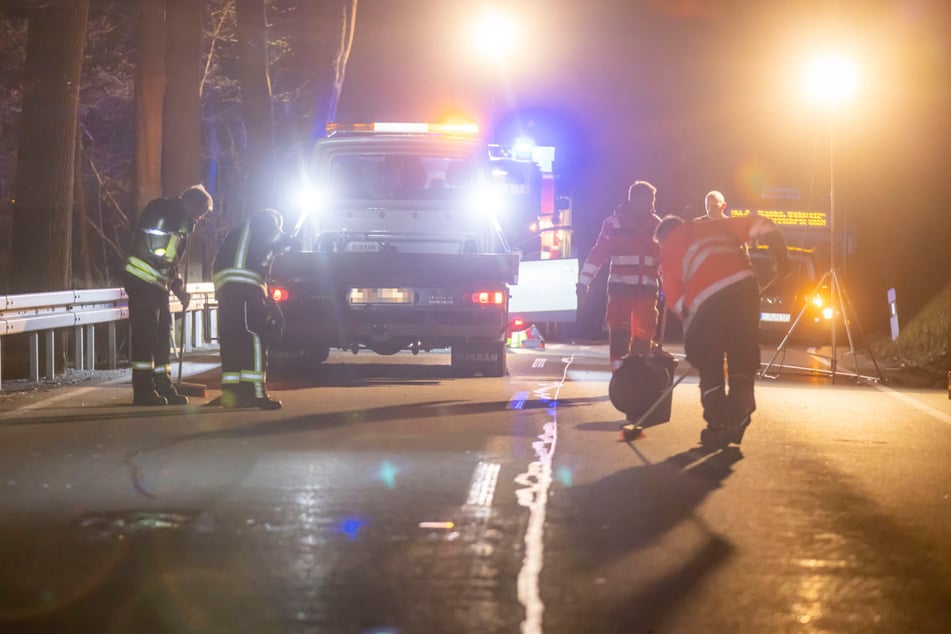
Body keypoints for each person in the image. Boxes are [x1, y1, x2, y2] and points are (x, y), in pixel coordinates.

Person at [653, 213, 790, 446]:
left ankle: (716, 424)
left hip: (707, 302)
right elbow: (763, 224)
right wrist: (782, 259)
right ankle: (739, 413)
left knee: (710, 365)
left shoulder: (668, 249)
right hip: (745, 290)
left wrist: (694, 340)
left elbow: (676, 300)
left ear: (665, 237)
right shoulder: (716, 226)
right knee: (742, 356)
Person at [123, 184, 213, 406]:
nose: (198, 219)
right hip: (141, 281)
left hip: (158, 286)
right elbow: (160, 254)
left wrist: (178, 288)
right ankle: (143, 390)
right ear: (190, 203)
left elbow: (172, 262)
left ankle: (163, 384)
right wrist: (186, 224)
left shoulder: (181, 225)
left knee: (163, 335)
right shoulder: (165, 211)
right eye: (199, 213)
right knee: (146, 337)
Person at [211, 209, 294, 409]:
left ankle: (231, 394)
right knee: (256, 338)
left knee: (232, 340)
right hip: (244, 288)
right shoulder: (263, 222)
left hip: (227, 289)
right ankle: (256, 393)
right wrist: (287, 239)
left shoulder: (241, 235)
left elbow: (262, 275)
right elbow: (269, 230)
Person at [576, 180, 662, 371]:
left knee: (645, 332)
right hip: (621, 289)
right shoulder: (614, 224)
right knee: (619, 331)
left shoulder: (656, 225)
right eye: (648, 200)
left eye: (652, 200)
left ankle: (637, 371)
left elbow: (663, 259)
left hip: (647, 291)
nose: (652, 204)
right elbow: (598, 254)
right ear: (635, 200)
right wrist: (583, 283)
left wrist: (673, 289)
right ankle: (619, 374)